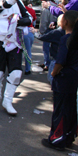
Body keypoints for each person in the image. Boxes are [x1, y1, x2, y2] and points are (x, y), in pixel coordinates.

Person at [41, 10, 78, 151]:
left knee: (60, 109)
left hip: (64, 78)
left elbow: (60, 61)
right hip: (73, 77)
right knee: (70, 108)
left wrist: (54, 72)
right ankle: (69, 135)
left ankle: (57, 139)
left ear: (66, 22)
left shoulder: (66, 39)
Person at [33, 14, 65, 84]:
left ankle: (56, 91)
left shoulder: (57, 32)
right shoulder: (68, 32)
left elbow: (42, 37)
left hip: (55, 57)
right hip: (65, 59)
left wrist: (35, 33)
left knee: (51, 77)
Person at [38, 0, 57, 71]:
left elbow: (44, 21)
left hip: (48, 29)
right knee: (53, 47)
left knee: (46, 48)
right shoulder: (54, 5)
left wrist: (41, 32)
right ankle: (49, 62)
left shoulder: (45, 7)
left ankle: (47, 64)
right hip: (55, 27)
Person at [20, 0, 37, 75]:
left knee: (18, 51)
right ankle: (27, 69)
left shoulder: (19, 10)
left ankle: (17, 69)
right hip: (30, 31)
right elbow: (33, 19)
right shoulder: (32, 10)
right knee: (28, 51)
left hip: (21, 30)